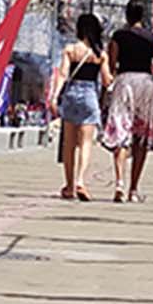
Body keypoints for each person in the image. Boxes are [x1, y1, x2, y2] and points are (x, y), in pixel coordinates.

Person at [103, 0, 153, 202]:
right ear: (143, 16)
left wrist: (104, 92)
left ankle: (119, 183)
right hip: (145, 84)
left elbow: (111, 65)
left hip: (124, 82)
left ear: (126, 15)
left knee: (121, 133)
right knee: (140, 137)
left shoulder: (118, 36)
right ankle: (133, 189)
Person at [50, 12, 108, 200]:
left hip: (71, 95)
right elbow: (107, 81)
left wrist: (54, 97)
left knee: (69, 144)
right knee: (85, 143)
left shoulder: (70, 50)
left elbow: (63, 74)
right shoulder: (101, 55)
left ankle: (68, 186)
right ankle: (81, 181)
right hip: (90, 95)